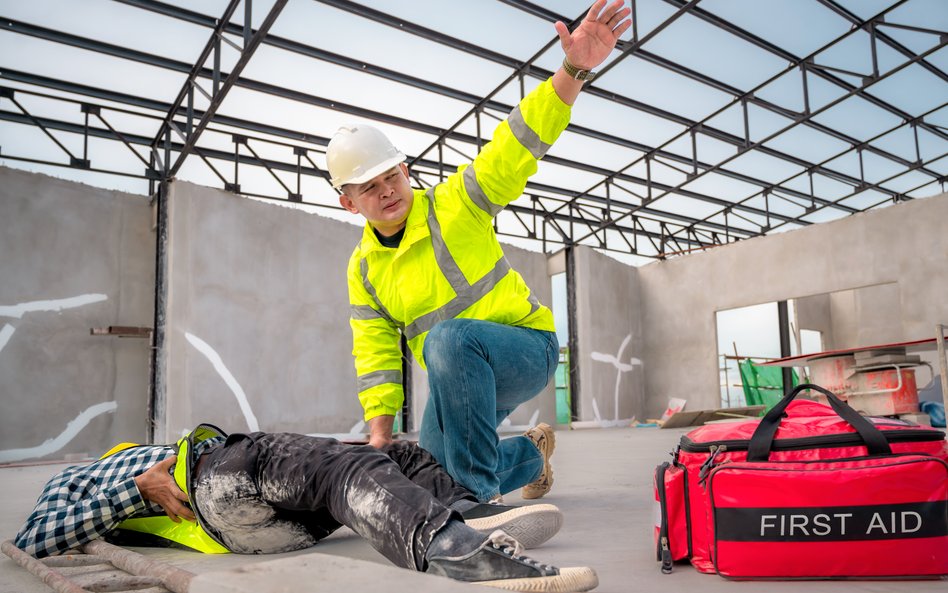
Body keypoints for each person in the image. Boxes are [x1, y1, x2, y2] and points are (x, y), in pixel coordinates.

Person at [329, 0, 632, 503]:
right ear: (349, 202)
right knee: (426, 469)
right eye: (369, 187)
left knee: (445, 341)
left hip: (524, 350)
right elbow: (375, 352)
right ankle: (533, 455)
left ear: (406, 171)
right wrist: (380, 432)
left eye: (392, 176)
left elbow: (515, 144)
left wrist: (574, 70)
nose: (387, 191)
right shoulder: (364, 270)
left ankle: (473, 501)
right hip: (459, 380)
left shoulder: (456, 202)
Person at [15, 424, 597, 592]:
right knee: (342, 469)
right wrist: (134, 489)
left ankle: (466, 512)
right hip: (216, 486)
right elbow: (35, 538)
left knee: (391, 457)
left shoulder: (138, 453)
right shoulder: (76, 477)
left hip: (262, 530)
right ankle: (457, 550)